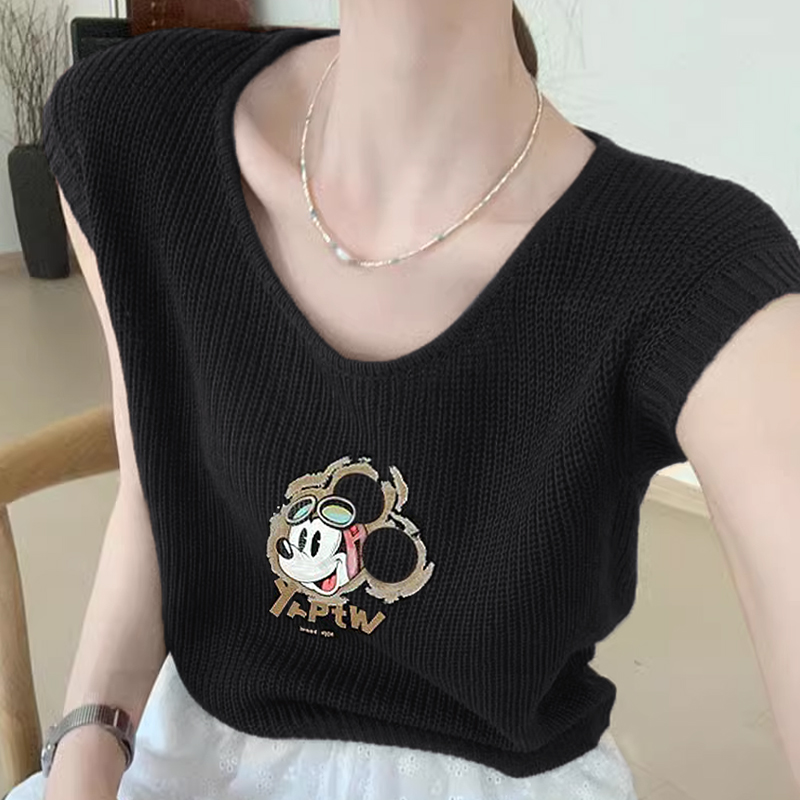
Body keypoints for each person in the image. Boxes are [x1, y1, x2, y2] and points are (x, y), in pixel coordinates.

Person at [8, 1, 800, 799]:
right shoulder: (134, 125)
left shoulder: (696, 268)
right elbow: (155, 495)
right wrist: (87, 752)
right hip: (189, 757)